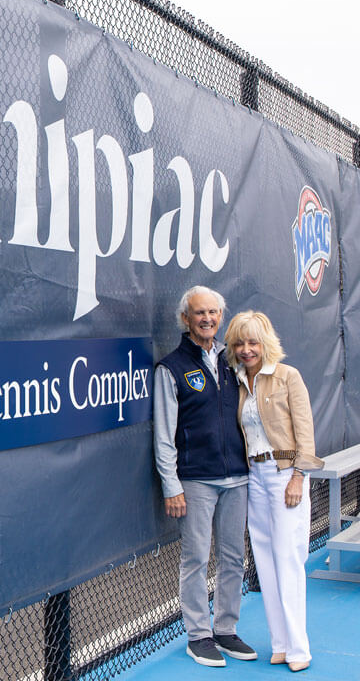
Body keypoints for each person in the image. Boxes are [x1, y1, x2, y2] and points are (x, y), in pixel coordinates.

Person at [154, 286, 256, 668]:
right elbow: (164, 435)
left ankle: (226, 629)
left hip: (237, 478)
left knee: (233, 557)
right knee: (195, 558)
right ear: (186, 318)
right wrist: (171, 485)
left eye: (213, 312)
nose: (207, 319)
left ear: (220, 316)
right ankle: (198, 635)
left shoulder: (234, 362)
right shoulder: (170, 368)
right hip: (196, 481)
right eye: (200, 313)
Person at [224, 311, 323, 673]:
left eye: (253, 342)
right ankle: (280, 644)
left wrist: (298, 476)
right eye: (239, 343)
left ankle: (298, 648)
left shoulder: (287, 376)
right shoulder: (237, 381)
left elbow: (305, 433)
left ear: (265, 342)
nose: (246, 349)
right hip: (254, 477)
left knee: (288, 558)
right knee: (265, 561)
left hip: (285, 476)